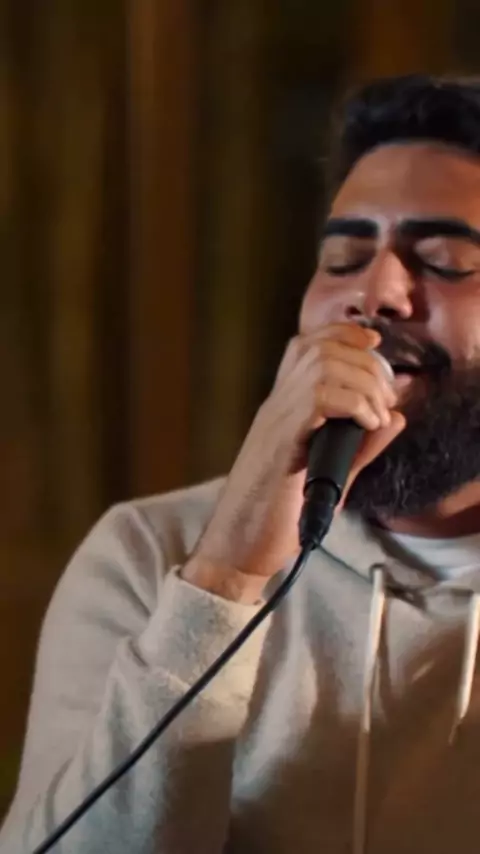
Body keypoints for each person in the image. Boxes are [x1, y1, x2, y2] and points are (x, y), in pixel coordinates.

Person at [4, 73, 480, 854]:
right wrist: (224, 576)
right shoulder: (145, 553)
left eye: (444, 258)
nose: (377, 292)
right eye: (343, 257)